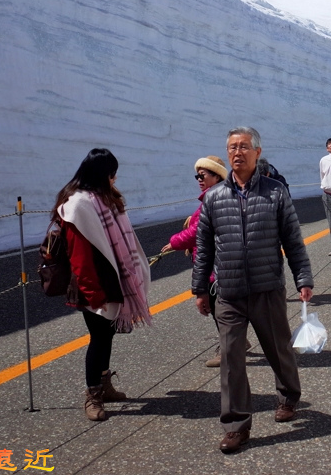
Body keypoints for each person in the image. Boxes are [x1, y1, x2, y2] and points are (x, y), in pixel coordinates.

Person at [192, 127, 314, 454]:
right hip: (228, 292)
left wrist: (303, 278)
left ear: (257, 152)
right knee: (232, 358)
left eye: (244, 147)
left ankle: (288, 396)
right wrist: (200, 288)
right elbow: (203, 246)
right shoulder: (215, 197)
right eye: (232, 147)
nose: (237, 153)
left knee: (279, 350)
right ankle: (236, 425)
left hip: (267, 288)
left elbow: (292, 239)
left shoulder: (275, 193)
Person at [54, 148, 152, 422]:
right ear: (102, 175)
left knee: (106, 336)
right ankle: (92, 395)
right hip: (93, 283)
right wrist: (93, 293)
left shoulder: (102, 200)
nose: (114, 178)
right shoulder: (79, 205)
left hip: (111, 278)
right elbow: (80, 256)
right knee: (98, 338)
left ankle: (104, 384)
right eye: (111, 173)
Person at [159, 155, 235, 368]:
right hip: (218, 261)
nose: (199, 179)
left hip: (215, 263)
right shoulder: (217, 195)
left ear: (216, 176)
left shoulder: (213, 198)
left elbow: (197, 231)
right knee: (222, 307)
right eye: (197, 175)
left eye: (202, 175)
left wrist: (174, 242)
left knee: (219, 309)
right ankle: (236, 343)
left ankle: (229, 350)